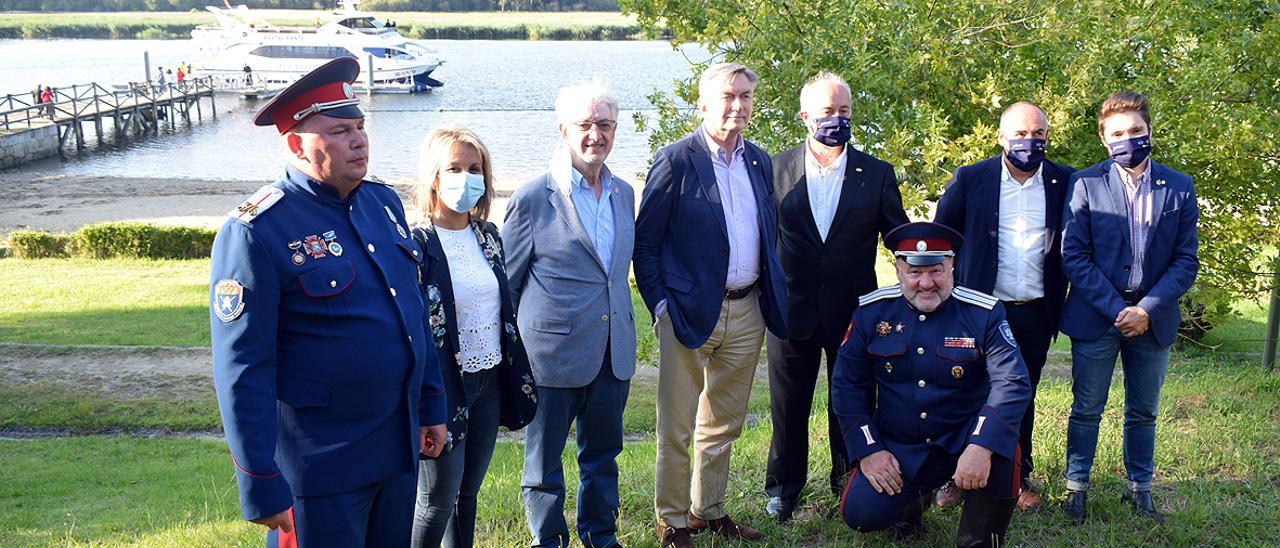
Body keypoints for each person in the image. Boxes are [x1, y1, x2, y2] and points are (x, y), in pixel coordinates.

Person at [208, 57, 448, 547]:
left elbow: (412, 316)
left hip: (394, 446)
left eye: (360, 127)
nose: (359, 140)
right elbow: (242, 367)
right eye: (339, 130)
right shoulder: (256, 229)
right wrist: (259, 480)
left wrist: (431, 403)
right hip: (318, 469)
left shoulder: (381, 203)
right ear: (296, 143)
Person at [635, 62, 787, 548]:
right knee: (678, 426)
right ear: (703, 104)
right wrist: (660, 304)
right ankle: (672, 520)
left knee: (724, 422)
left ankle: (708, 510)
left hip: (747, 311)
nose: (737, 105)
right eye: (727, 96)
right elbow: (647, 244)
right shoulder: (676, 160)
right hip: (686, 311)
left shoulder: (760, 161)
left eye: (745, 96)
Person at [763, 71, 908, 523]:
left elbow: (899, 237)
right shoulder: (772, 168)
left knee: (851, 400)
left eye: (844, 111)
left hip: (853, 312)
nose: (837, 119)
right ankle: (784, 488)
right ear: (806, 116)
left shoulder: (877, 173)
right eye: (828, 111)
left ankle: (847, 482)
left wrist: (928, 268)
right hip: (790, 309)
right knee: (789, 406)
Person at [832, 221, 1030, 547]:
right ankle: (913, 503)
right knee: (861, 512)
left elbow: (1012, 383)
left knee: (999, 458)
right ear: (897, 269)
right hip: (902, 444)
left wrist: (981, 446)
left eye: (936, 270)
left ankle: (977, 530)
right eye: (914, 272)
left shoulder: (983, 313)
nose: (926, 283)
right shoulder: (872, 313)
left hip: (966, 438)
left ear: (952, 265)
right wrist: (869, 451)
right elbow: (846, 385)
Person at [504, 81, 637, 548]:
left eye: (604, 125)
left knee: (602, 457)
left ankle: (601, 537)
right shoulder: (532, 198)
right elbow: (510, 282)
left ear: (615, 129)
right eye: (584, 125)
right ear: (563, 130)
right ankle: (549, 541)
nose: (595, 135)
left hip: (611, 351)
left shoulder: (623, 193)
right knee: (543, 466)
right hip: (551, 354)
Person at [1060, 91, 1199, 524]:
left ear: (1149, 131)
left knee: (1144, 411)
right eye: (1118, 133)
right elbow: (1074, 255)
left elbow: (1185, 260)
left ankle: (1140, 489)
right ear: (1104, 139)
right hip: (1097, 316)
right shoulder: (1085, 183)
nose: (1128, 138)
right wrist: (1117, 308)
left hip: (1152, 321)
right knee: (1087, 407)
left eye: (1136, 130)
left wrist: (1147, 309)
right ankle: (1075, 488)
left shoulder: (1178, 186)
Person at [933, 101, 1075, 511]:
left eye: (1038, 135)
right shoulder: (972, 178)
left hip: (1034, 308)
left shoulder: (1064, 181)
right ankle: (954, 476)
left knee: (1020, 395)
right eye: (1020, 134)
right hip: (978, 309)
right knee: (965, 390)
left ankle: (1017, 474)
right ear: (1000, 138)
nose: (1029, 142)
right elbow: (944, 237)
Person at [408, 125, 538, 548]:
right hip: (442, 387)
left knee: (467, 495)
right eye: (454, 167)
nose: (465, 177)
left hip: (489, 381)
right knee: (436, 500)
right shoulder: (415, 244)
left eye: (474, 168)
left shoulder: (488, 236)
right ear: (434, 176)